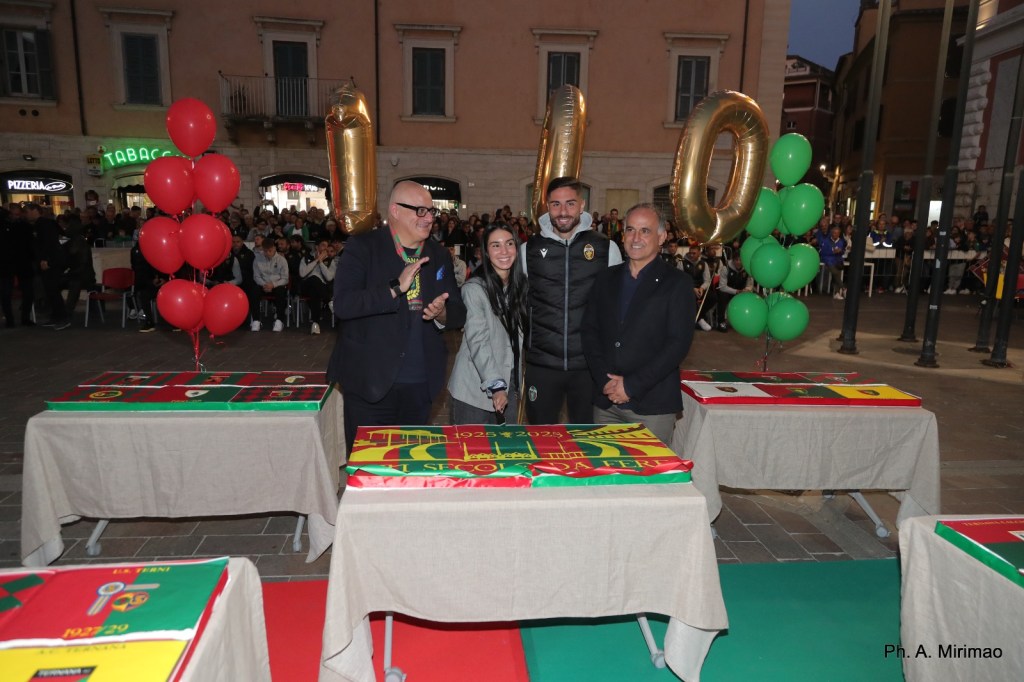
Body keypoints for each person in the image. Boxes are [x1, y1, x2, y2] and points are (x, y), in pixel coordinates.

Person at [327, 180, 466, 451]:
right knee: (368, 472)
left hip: (420, 385)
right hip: (370, 384)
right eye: (419, 210)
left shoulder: (438, 255)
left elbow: (458, 311)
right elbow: (344, 304)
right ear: (395, 211)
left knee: (409, 471)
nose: (428, 218)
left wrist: (442, 313)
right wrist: (394, 289)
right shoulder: (363, 247)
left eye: (431, 211)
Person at [581, 204, 694, 445]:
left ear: (662, 237)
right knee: (607, 477)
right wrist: (605, 381)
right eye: (630, 230)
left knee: (650, 481)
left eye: (645, 231)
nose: (636, 238)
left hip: (652, 405)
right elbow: (590, 332)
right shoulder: (604, 278)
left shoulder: (677, 284)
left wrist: (631, 386)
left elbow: (678, 345)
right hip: (606, 402)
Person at [520, 176, 622, 424]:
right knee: (541, 441)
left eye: (569, 203)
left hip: (589, 366)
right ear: (547, 206)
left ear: (582, 205)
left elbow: (618, 310)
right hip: (542, 364)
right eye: (555, 204)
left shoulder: (606, 249)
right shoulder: (528, 250)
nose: (562, 211)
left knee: (586, 441)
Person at [448, 223, 527, 424]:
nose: (504, 251)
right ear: (485, 251)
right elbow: (478, 341)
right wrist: (496, 386)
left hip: (507, 387)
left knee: (505, 452)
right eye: (496, 245)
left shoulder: (520, 287)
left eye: (509, 244)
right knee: (471, 452)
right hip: (474, 390)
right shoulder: (474, 289)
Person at [298, 238, 336, 335]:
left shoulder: (331, 261)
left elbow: (329, 277)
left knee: (315, 292)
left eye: (327, 246)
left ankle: (315, 324)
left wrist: (321, 262)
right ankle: (329, 301)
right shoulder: (305, 258)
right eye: (323, 245)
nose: (326, 248)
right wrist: (316, 260)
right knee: (314, 278)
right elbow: (302, 274)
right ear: (316, 247)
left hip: (320, 289)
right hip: (305, 286)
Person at [252, 238, 289, 332]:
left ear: (274, 248)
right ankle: (256, 320)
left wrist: (273, 285)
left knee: (281, 292)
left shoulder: (282, 260)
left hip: (277, 285)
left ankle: (279, 320)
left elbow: (285, 278)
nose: (268, 253)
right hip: (263, 284)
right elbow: (256, 276)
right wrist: (265, 284)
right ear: (262, 249)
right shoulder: (257, 259)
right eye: (265, 251)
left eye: (270, 250)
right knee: (254, 291)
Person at [819, 225, 847, 299]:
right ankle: (844, 288)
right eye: (834, 233)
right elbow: (822, 252)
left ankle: (837, 293)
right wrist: (833, 251)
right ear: (832, 233)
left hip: (838, 260)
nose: (836, 234)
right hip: (828, 260)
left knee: (836, 275)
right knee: (836, 273)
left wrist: (840, 251)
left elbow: (843, 251)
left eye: (837, 233)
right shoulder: (826, 241)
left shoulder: (841, 241)